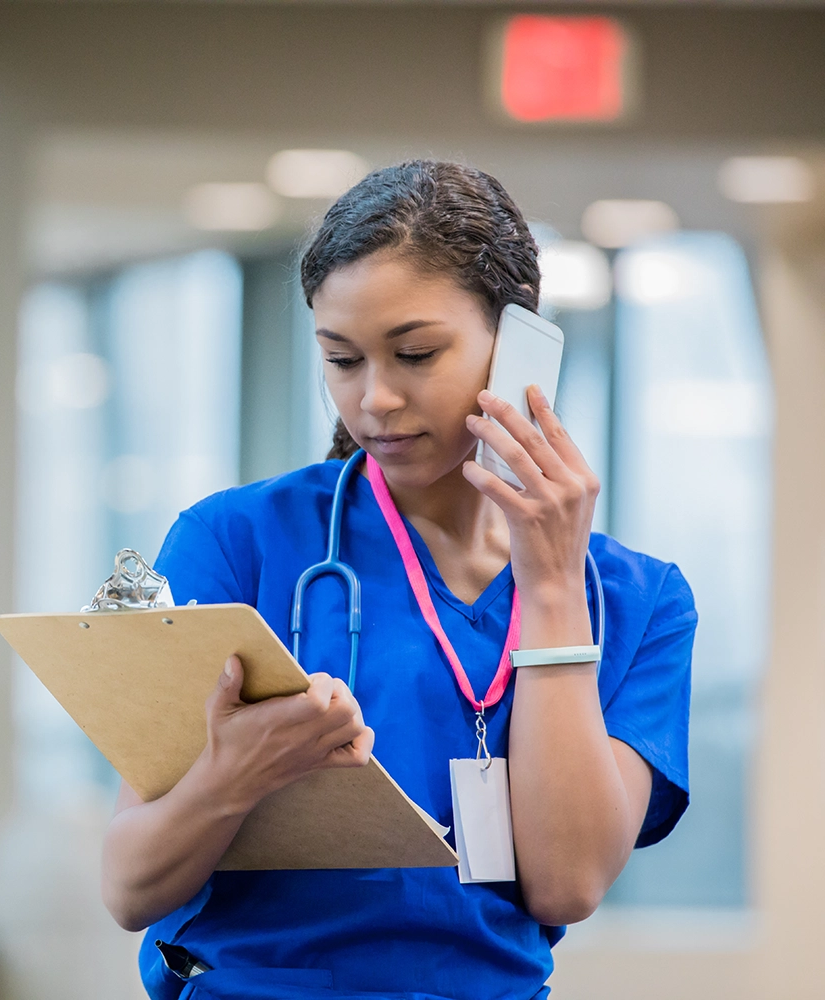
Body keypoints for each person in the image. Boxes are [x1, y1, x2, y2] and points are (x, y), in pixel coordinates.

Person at [101, 160, 695, 1000]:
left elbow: (566, 886)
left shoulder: (636, 601)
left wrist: (554, 588)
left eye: (415, 353)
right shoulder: (236, 545)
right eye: (342, 360)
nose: (374, 399)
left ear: (518, 338)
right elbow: (131, 887)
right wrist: (234, 775)